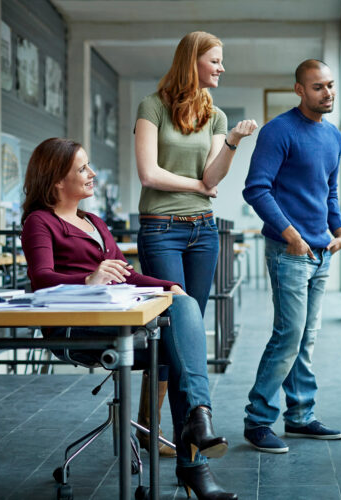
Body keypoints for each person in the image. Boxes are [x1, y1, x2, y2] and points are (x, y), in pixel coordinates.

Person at [21, 138, 236, 500]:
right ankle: (194, 459)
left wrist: (169, 285)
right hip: (76, 326)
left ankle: (198, 426)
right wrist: (88, 279)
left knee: (183, 309)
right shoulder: (40, 222)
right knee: (180, 343)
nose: (91, 174)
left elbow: (127, 276)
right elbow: (41, 278)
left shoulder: (95, 222)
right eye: (82, 169)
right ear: (57, 181)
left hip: (118, 317)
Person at [133, 30, 256, 458]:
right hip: (161, 229)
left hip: (204, 231)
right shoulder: (152, 107)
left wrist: (234, 143)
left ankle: (173, 435)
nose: (222, 68)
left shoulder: (217, 117)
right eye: (215, 60)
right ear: (193, 61)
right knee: (175, 327)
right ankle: (190, 428)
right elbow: (148, 174)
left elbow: (213, 177)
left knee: (184, 336)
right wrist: (198, 186)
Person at [241, 60, 341, 453]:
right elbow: (256, 189)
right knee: (289, 336)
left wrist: (339, 229)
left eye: (331, 86)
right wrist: (291, 235)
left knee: (306, 338)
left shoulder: (334, 136)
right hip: (290, 251)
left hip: (322, 252)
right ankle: (257, 420)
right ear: (299, 90)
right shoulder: (278, 132)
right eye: (318, 87)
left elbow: (328, 191)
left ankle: (301, 417)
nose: (328, 93)